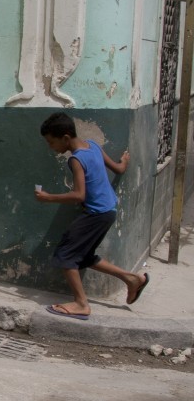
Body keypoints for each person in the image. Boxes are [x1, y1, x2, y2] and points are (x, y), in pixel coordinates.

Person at [35, 112, 150, 319]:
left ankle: (81, 304)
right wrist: (123, 161)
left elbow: (79, 195)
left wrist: (48, 197)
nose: (51, 148)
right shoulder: (93, 145)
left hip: (96, 214)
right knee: (85, 256)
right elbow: (119, 169)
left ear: (66, 138)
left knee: (66, 255)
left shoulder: (76, 159)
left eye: (52, 143)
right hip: (109, 211)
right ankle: (132, 279)